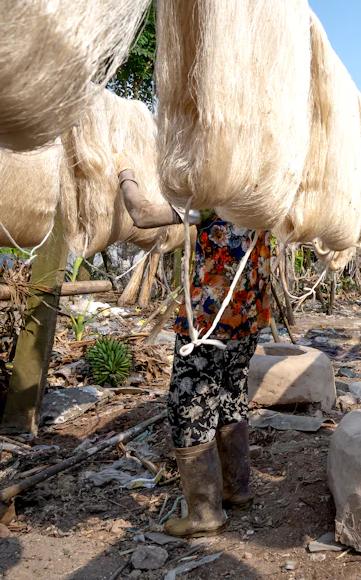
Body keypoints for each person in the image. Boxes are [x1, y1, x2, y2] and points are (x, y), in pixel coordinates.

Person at [115, 162, 275, 538]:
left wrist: (125, 174)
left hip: (206, 327)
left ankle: (204, 514)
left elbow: (141, 214)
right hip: (245, 323)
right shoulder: (263, 201)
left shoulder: (212, 203)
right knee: (230, 399)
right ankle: (238, 490)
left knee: (189, 408)